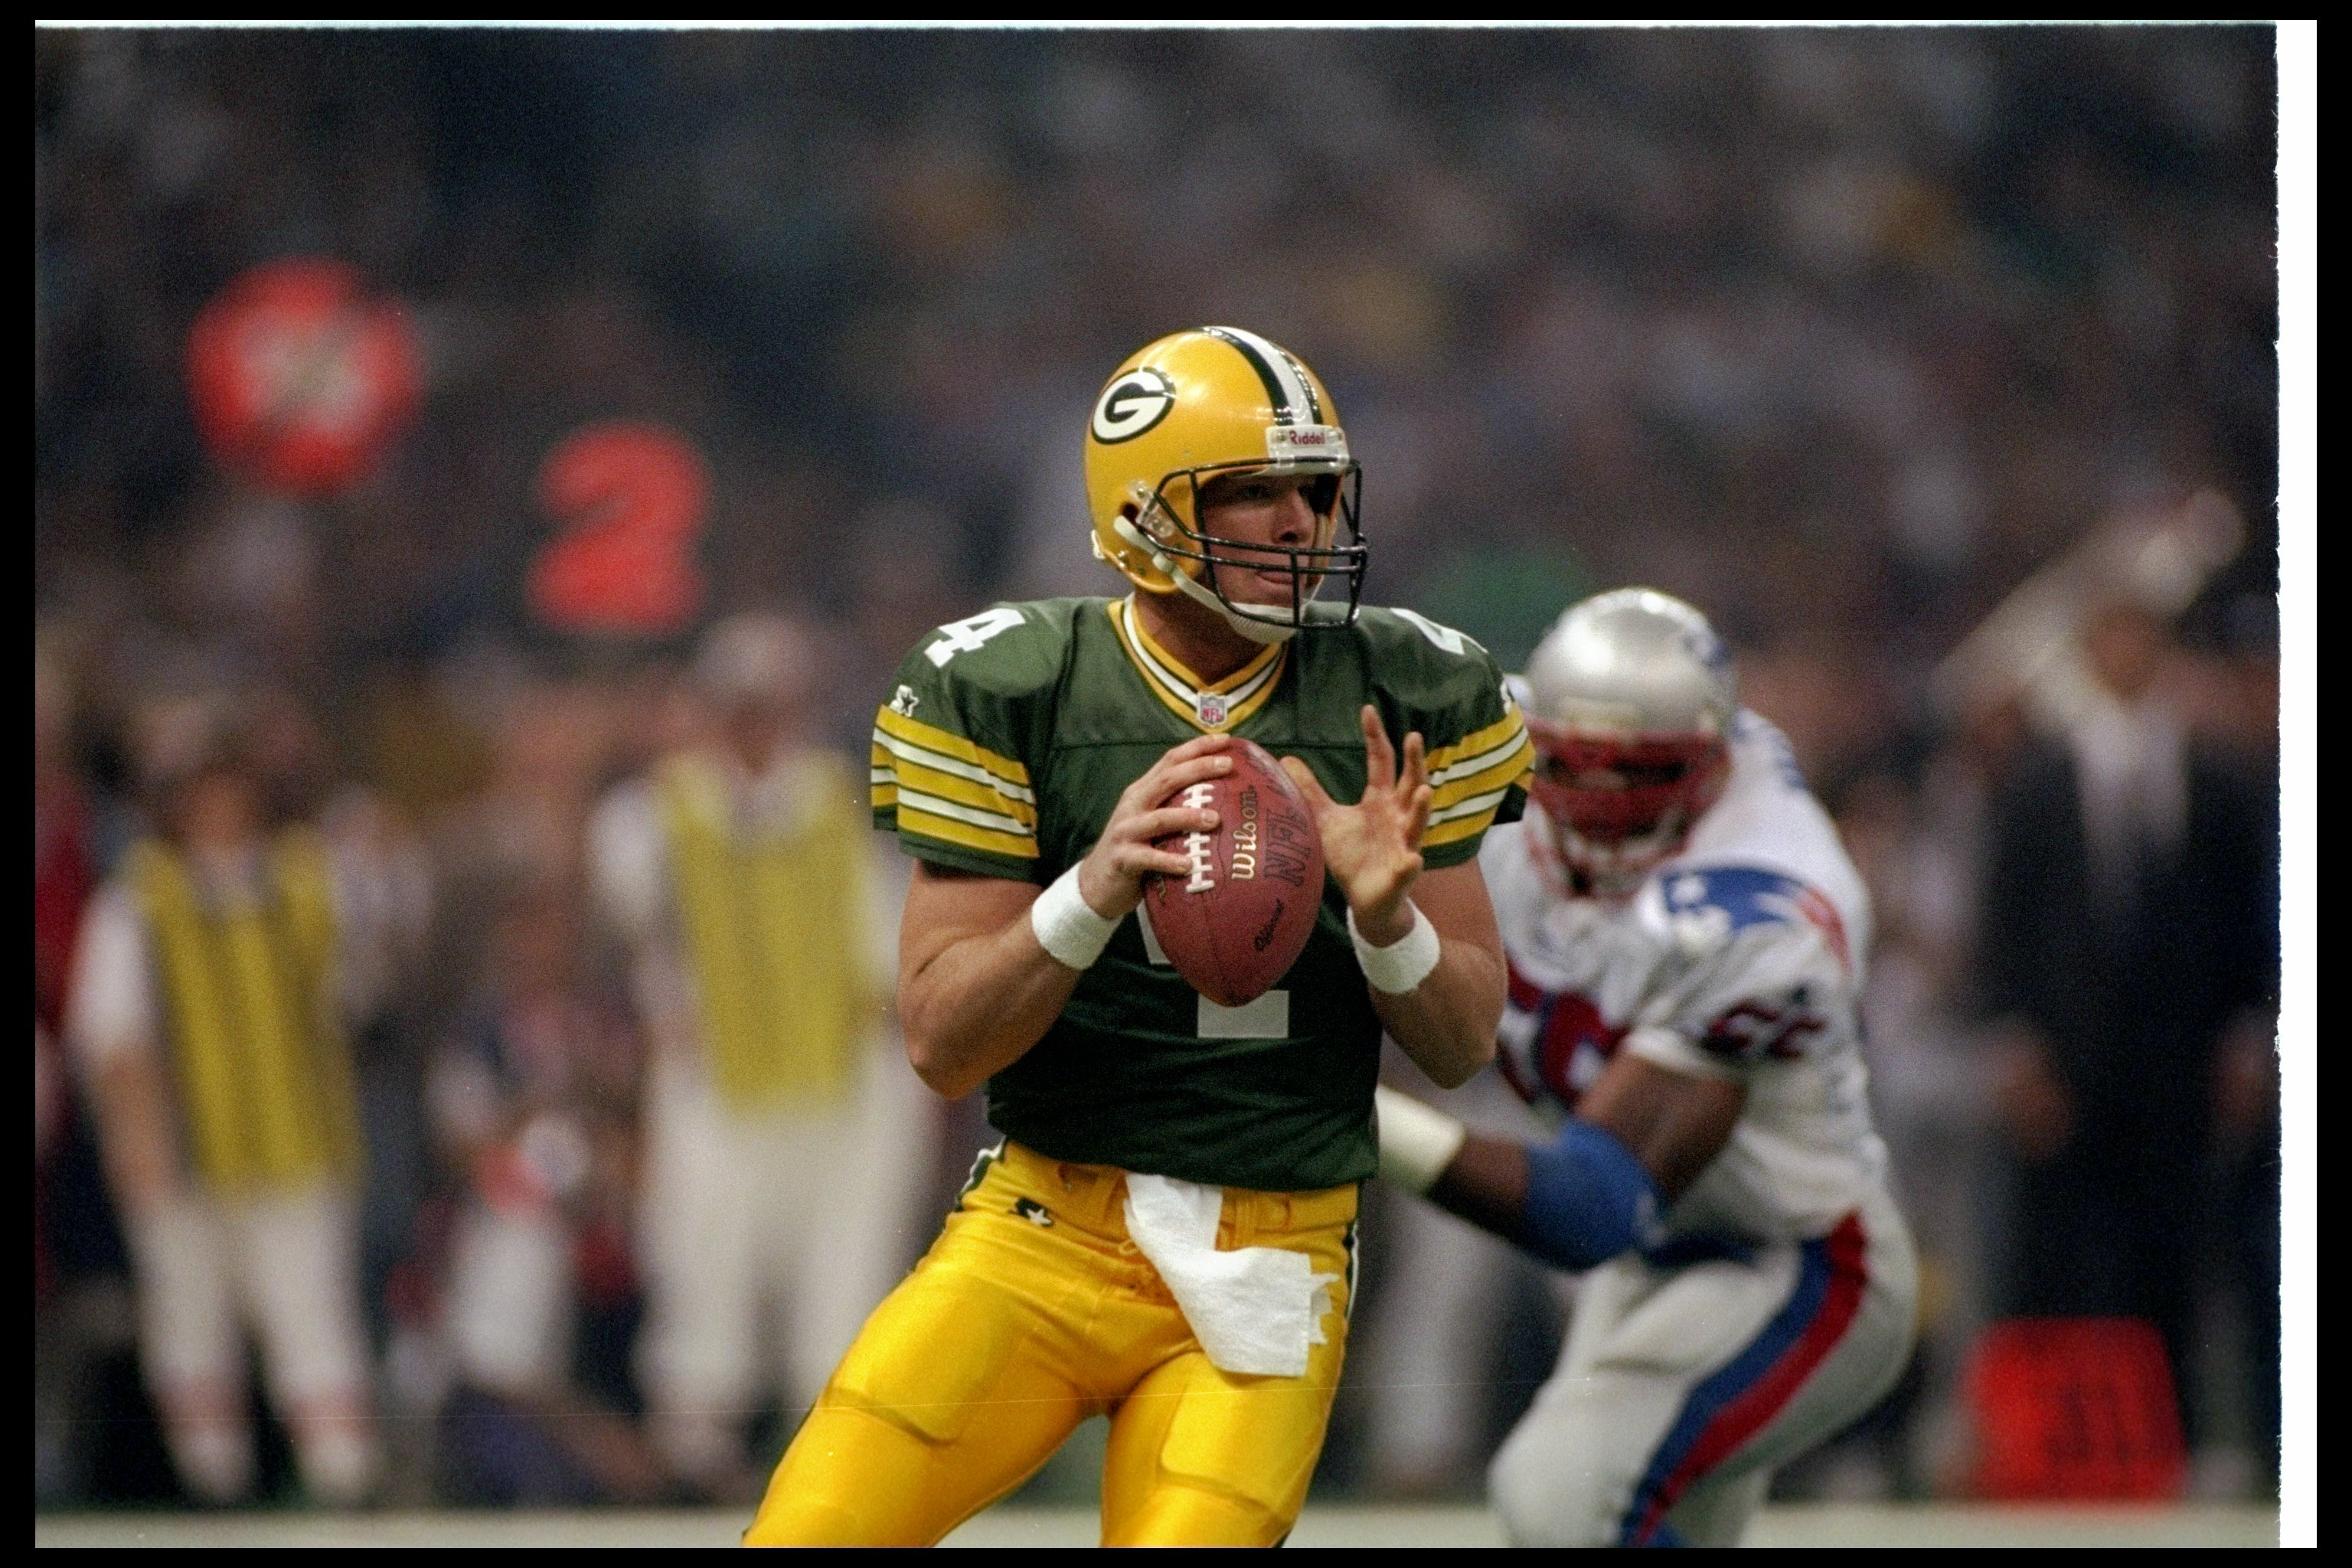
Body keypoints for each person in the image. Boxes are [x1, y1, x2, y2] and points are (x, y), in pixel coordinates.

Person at [746, 326, 1534, 1547]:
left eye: (1316, 489)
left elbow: (1464, 1039)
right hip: (1044, 1234)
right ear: (1142, 512)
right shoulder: (1016, 684)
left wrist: (1387, 923)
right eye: (1253, 489)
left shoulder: (1405, 689)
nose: (1299, 523)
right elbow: (944, 1045)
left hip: (1276, 1248)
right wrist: (1093, 888)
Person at [1375, 590, 1918, 1547]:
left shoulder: (1767, 908)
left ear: (1715, 756)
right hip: (1655, 1251)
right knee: (1590, 1515)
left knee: (1559, 1496)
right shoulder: (1478, 746)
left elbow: (1588, 1206)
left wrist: (1351, 1116)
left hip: (1795, 1257)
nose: (1601, 800)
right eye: (1569, 765)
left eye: (1644, 772)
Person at [590, 612, 918, 1495]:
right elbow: (627, 925)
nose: (757, 723)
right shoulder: (654, 813)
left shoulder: (843, 800)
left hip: (840, 1071)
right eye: (740, 703)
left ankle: (832, 1453)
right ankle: (693, 1453)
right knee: (704, 1250)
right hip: (714, 1073)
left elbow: (889, 936)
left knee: (841, 1262)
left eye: (774, 703)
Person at [1974, 587, 2275, 1457]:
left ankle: (2173, 1438)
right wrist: (2015, 1046)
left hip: (2178, 1059)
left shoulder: (2214, 781)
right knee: (2058, 1254)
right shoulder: (2039, 782)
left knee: (2176, 1254)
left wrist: (2246, 1041)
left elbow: (2243, 928)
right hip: (2068, 1061)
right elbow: (2007, 922)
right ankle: (2058, 1444)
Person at [61, 696, 381, 1505]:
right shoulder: (143, 898)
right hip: (185, 1149)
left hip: (294, 1141)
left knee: (311, 1313)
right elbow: (112, 1034)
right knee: (191, 1322)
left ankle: (341, 1481)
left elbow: (358, 993)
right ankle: (216, 1487)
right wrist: (135, 1138)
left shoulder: (307, 880)